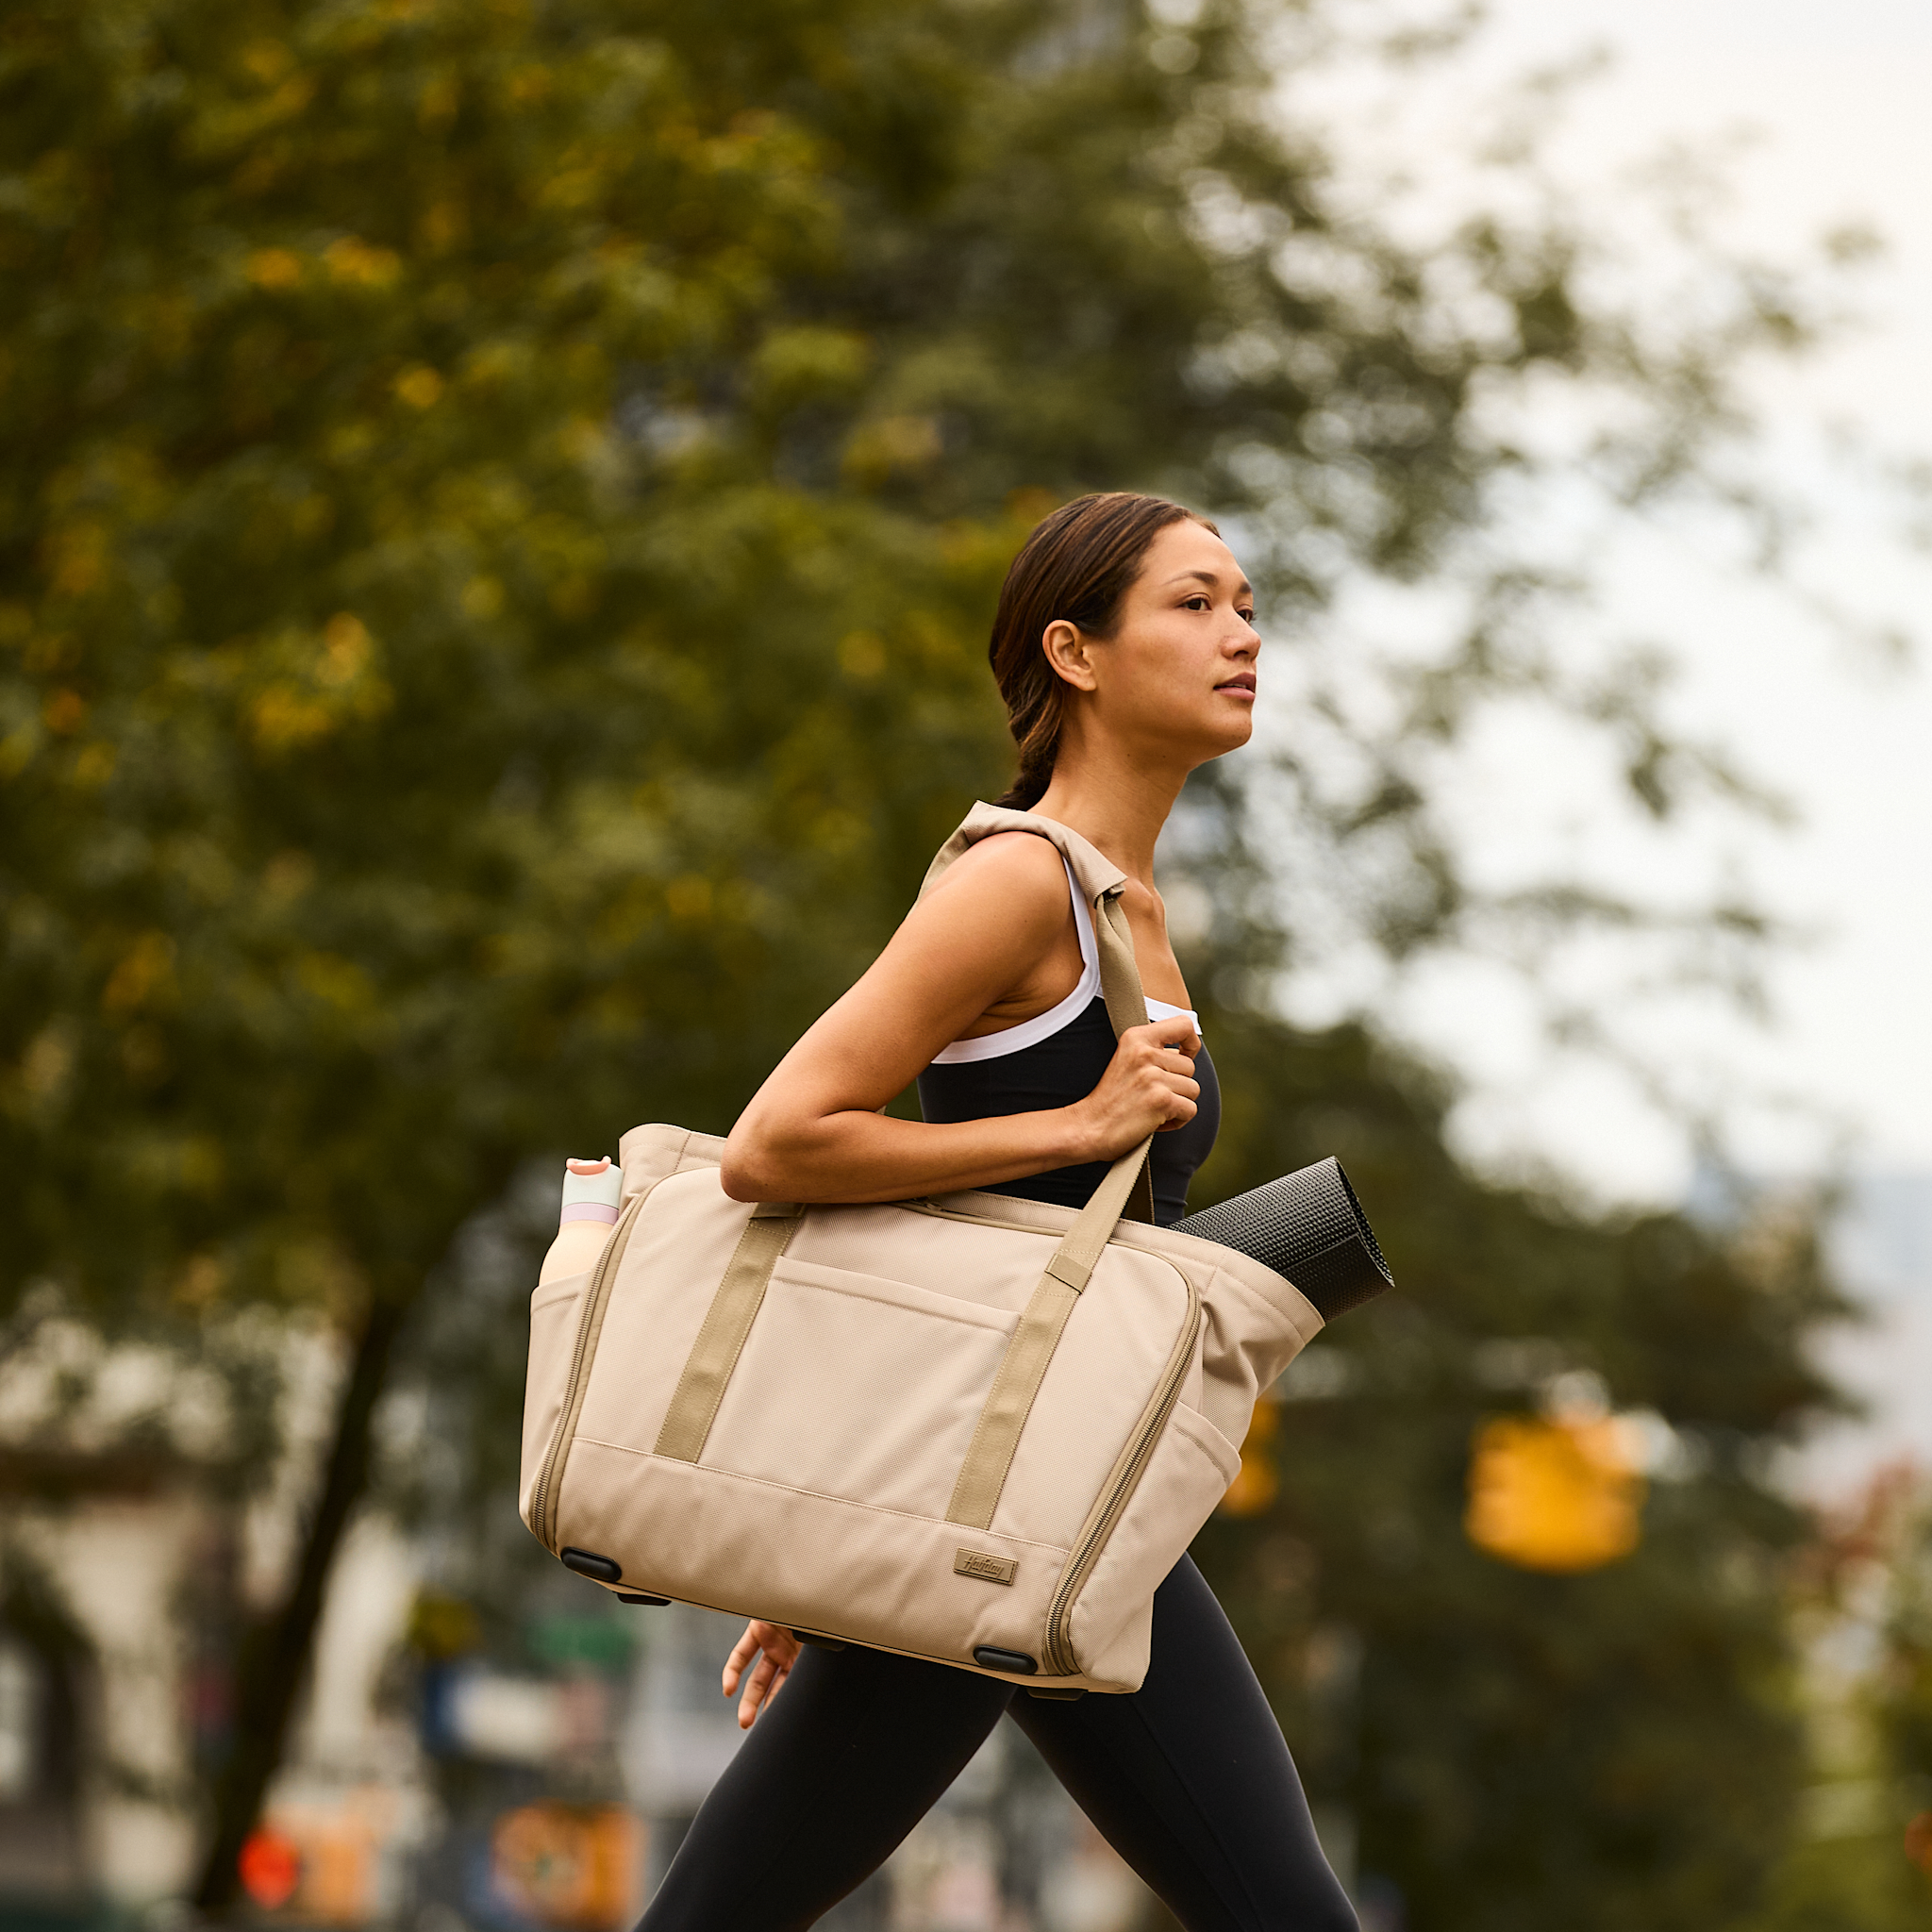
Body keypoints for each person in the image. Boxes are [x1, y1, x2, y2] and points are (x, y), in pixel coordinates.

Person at [639, 492, 1358, 1932]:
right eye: (1196, 603)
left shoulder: (1128, 906)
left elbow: (1032, 1235)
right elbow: (779, 1142)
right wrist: (1084, 1122)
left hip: (1048, 1494)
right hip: (995, 1500)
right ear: (1075, 654)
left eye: (1248, 605)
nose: (1244, 635)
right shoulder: (1016, 881)